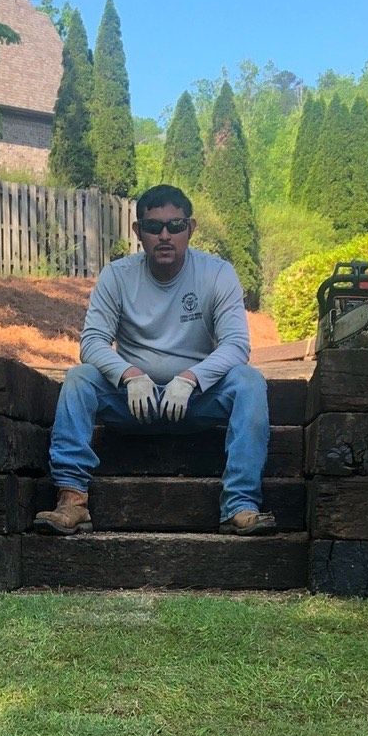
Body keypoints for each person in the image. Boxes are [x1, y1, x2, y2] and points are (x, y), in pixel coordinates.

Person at [35, 184, 275, 537]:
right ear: (138, 232)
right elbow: (92, 342)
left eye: (175, 226)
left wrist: (192, 377)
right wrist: (129, 374)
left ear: (190, 228)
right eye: (154, 227)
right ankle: (72, 499)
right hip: (133, 401)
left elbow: (237, 345)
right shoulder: (116, 276)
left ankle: (239, 504)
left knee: (249, 382)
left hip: (195, 401)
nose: (165, 236)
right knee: (79, 379)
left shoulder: (217, 273)